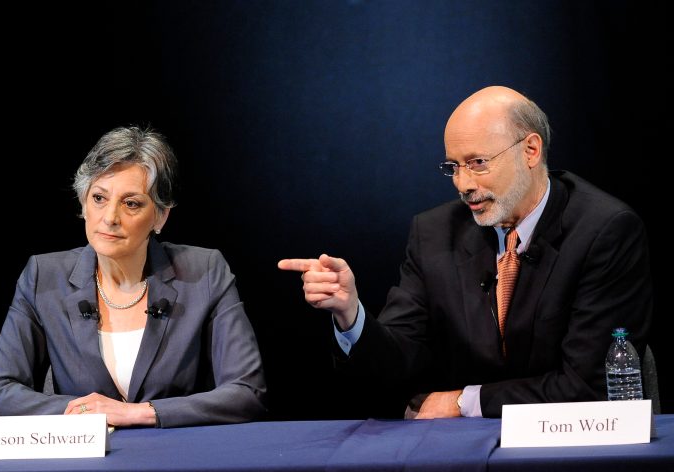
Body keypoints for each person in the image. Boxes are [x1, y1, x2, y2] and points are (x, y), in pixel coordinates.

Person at [278, 86, 653, 418]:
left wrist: (463, 402)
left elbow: (589, 387)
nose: (463, 184)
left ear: (531, 150)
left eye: (478, 163)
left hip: (570, 451)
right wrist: (350, 314)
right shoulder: (435, 233)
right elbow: (397, 363)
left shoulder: (605, 230)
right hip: (463, 457)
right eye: (453, 167)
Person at [0, 126, 267, 427]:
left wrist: (139, 413)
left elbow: (247, 393)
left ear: (160, 216)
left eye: (131, 203)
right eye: (99, 198)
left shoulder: (205, 271)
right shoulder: (43, 276)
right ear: (83, 203)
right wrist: (87, 414)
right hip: (85, 467)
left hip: (176, 461)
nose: (110, 218)